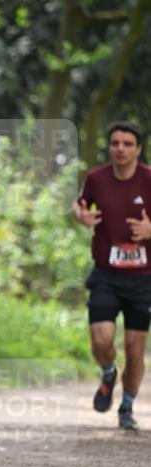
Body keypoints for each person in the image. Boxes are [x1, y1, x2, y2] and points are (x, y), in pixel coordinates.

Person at [74, 120, 151, 430]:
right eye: (116, 142)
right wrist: (81, 216)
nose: (120, 148)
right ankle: (108, 371)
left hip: (144, 278)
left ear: (138, 149)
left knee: (135, 349)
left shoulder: (148, 180)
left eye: (127, 144)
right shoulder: (96, 178)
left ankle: (127, 406)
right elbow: (77, 206)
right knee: (101, 340)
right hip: (106, 273)